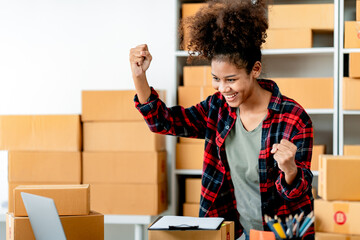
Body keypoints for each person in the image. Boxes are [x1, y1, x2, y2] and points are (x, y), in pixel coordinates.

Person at [129, 0, 314, 239]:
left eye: (231, 79)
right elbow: (164, 122)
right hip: (233, 231)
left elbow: (297, 193)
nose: (223, 88)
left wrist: (290, 170)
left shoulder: (294, 118)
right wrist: (139, 77)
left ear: (255, 69)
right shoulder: (217, 108)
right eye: (216, 78)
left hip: (282, 233)